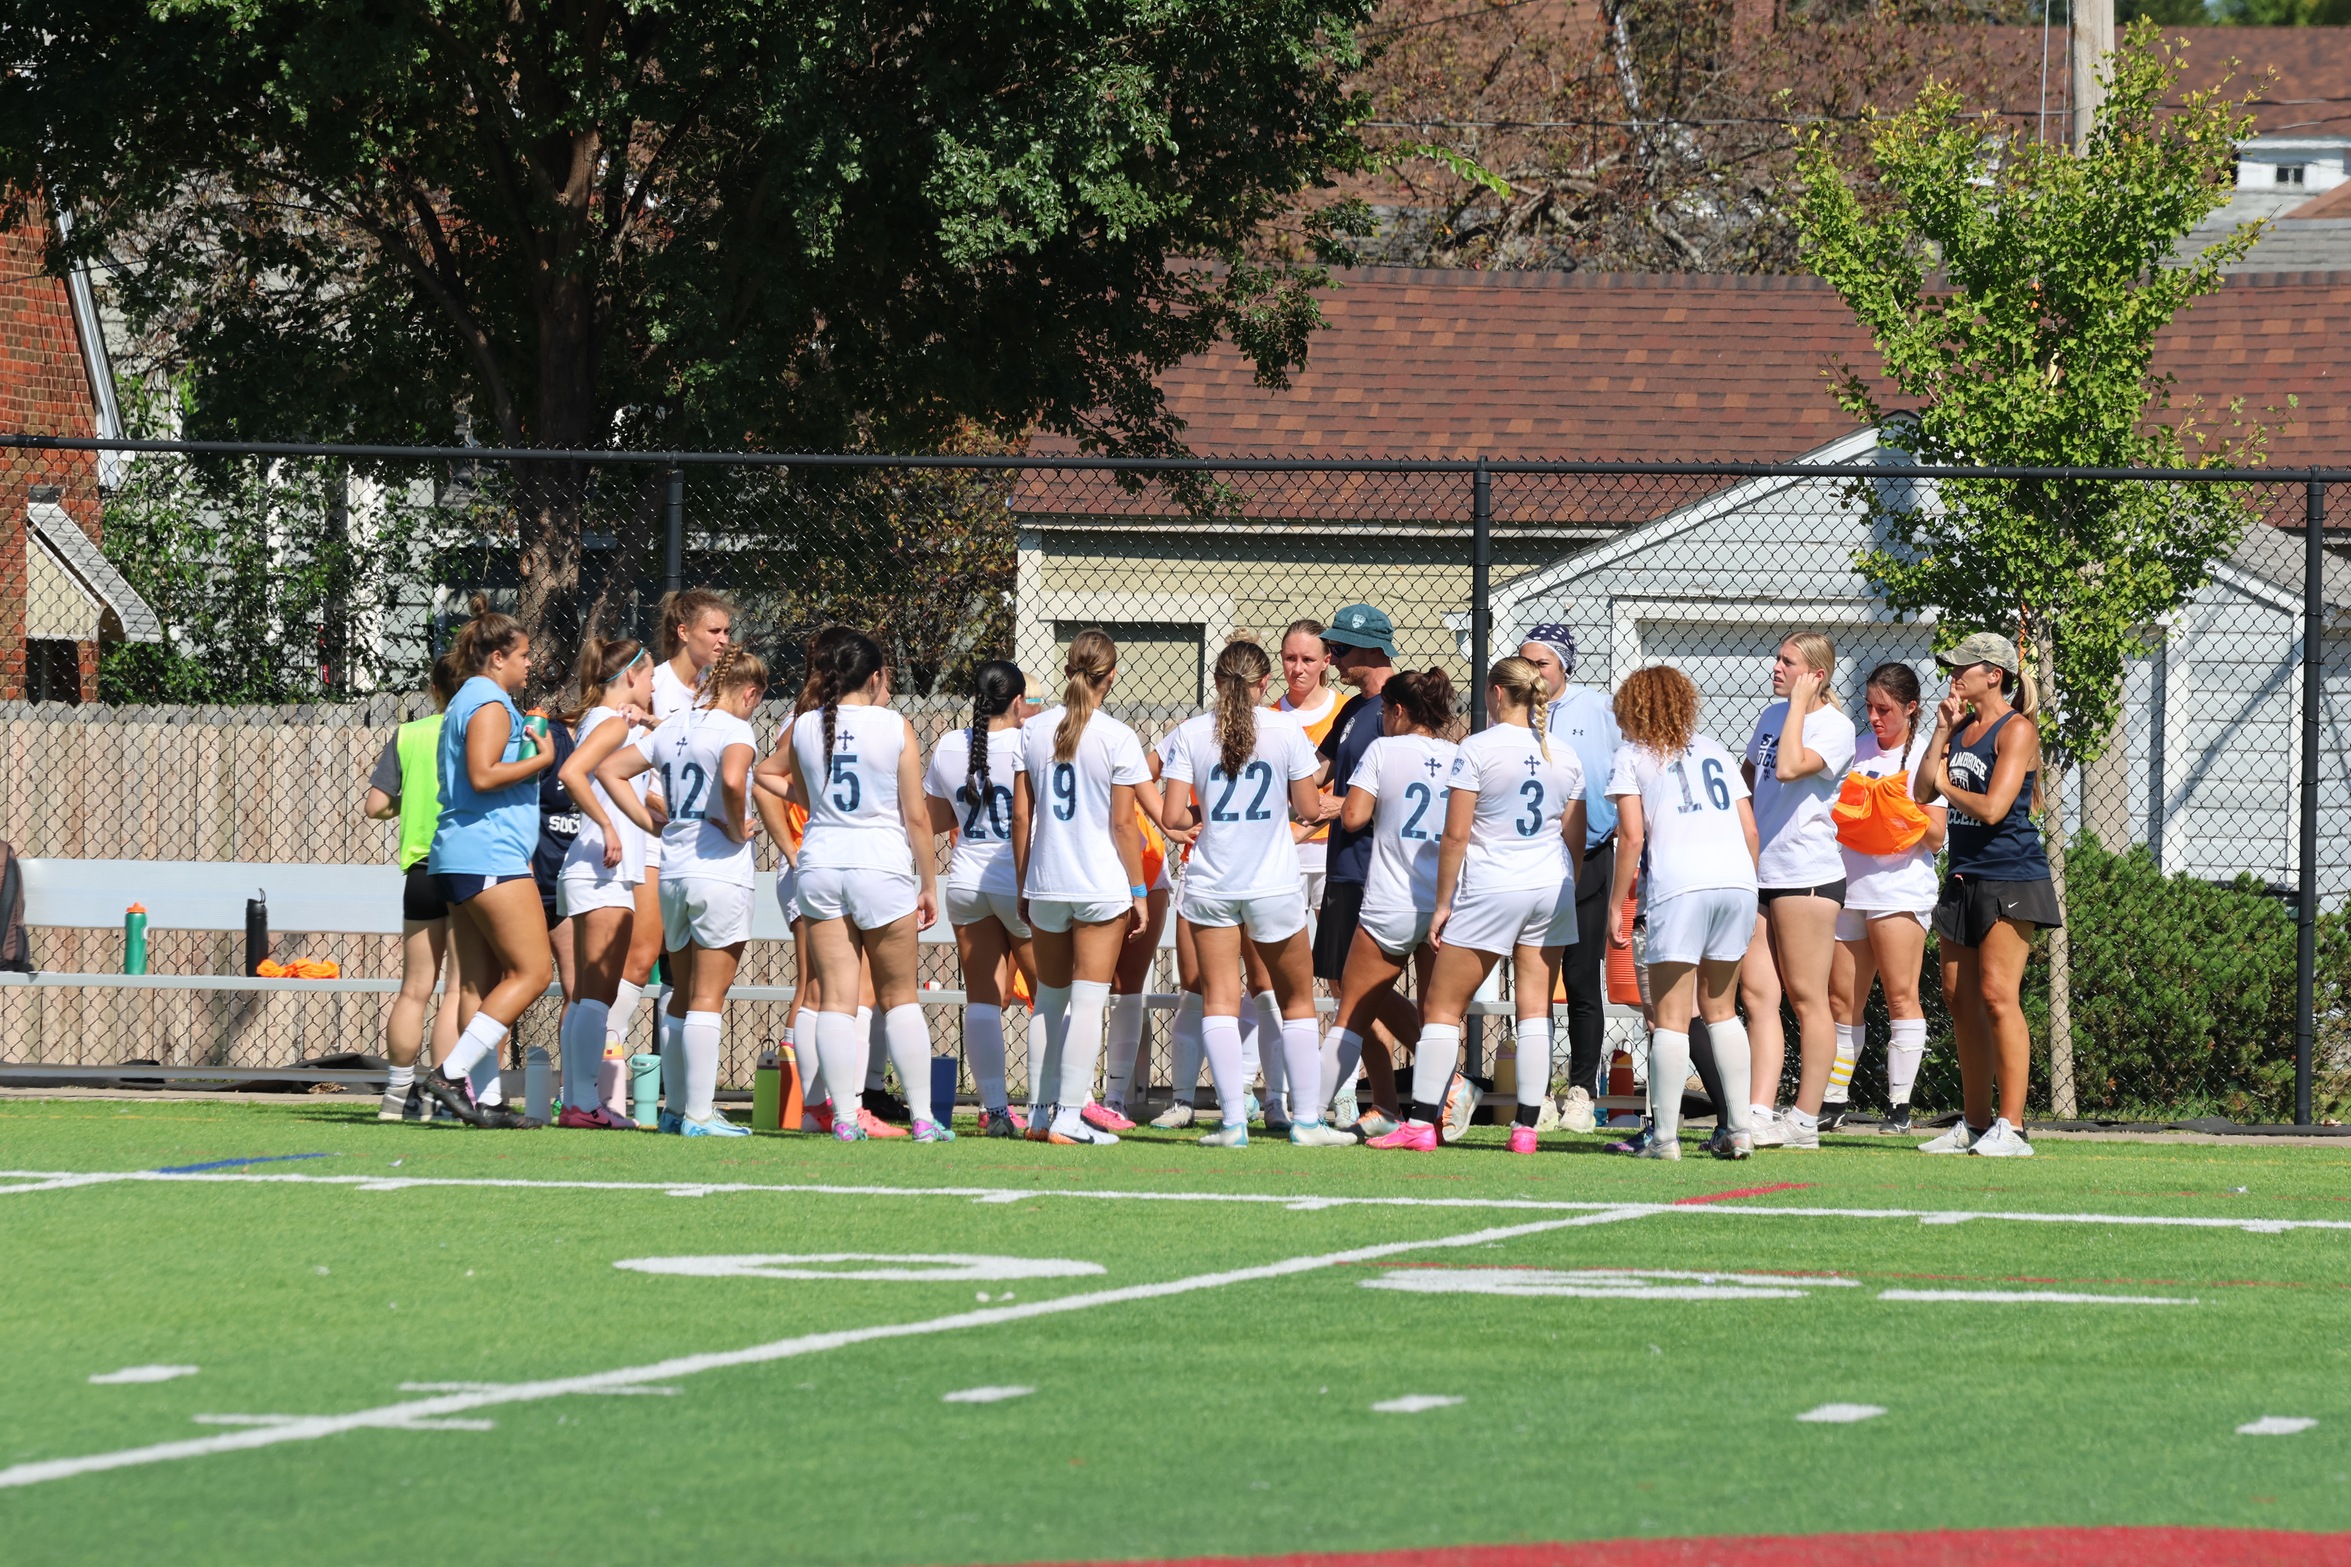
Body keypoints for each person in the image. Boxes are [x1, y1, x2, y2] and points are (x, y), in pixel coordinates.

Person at [1370, 655, 1584, 1155]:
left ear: (1495, 694)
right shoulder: (1566, 754)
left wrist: (1443, 903)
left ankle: (1421, 1123)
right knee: (1535, 1011)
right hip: (1550, 884)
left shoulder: (1477, 748)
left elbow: (1456, 835)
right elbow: (1573, 836)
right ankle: (1526, 1129)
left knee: (1441, 1009)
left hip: (1492, 884)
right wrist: (1562, 886)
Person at [1162, 639, 1344, 1147]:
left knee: (1219, 999)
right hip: (1272, 883)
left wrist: (1210, 816)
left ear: (1216, 682)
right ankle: (1306, 1120)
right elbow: (1308, 807)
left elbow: (1173, 816)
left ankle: (1232, 1123)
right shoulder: (1286, 729)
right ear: (1266, 683)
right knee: (1297, 999)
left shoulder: (1192, 732)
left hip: (1213, 882)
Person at [785, 628, 952, 1142]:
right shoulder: (895, 726)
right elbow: (917, 818)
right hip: (880, 867)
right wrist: (929, 883)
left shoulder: (804, 725)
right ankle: (924, 1118)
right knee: (899, 996)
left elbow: (789, 786)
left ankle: (841, 1117)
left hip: (820, 865)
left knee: (834, 998)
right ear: (875, 676)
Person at [597, 643, 770, 1136]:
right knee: (708, 998)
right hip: (718, 872)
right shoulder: (736, 728)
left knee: (681, 994)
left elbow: (609, 769)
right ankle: (697, 1113)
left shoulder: (671, 725)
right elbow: (735, 781)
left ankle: (675, 1112)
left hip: (672, 872)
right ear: (749, 693)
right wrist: (738, 829)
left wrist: (655, 824)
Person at [1605, 665, 1761, 1161]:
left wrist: (1617, 906)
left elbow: (1631, 836)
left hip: (1679, 887)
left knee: (1671, 1020)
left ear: (1635, 708)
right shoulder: (1714, 748)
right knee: (1722, 1011)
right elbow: (1750, 831)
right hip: (1737, 883)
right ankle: (1738, 1129)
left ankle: (1665, 1138)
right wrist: (1745, 887)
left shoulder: (1632, 755)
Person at [1915, 631, 2058, 1158]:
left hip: (2010, 878)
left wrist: (1948, 784)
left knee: (1999, 996)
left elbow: (1995, 809)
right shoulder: (1961, 727)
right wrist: (1940, 734)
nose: (1954, 675)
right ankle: (1974, 1125)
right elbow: (1920, 792)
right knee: (1959, 998)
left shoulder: (2015, 729)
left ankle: (2013, 1128)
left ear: (1993, 674)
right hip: (1963, 877)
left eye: (1964, 668)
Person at [418, 599, 557, 1129]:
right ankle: (450, 1075)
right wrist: (540, 760)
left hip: (460, 854)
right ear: (497, 657)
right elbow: (482, 774)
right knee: (534, 971)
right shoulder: (490, 703)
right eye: (523, 655)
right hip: (489, 852)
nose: (529, 664)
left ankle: (489, 1101)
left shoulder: (466, 700)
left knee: (479, 983)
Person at [1012, 629, 1153, 1146]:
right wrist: (1139, 893)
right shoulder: (1116, 735)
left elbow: (1021, 817)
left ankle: (1039, 1116)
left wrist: (1026, 882)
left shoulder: (1032, 729)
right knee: (1088, 1003)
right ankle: (1070, 1117)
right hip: (1099, 884)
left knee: (1048, 1001)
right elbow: (1123, 826)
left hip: (1047, 882)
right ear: (1110, 676)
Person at [1327, 667, 1458, 1135]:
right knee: (1436, 1019)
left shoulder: (1383, 749)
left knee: (1351, 1011)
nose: (1381, 718)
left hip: (1392, 900)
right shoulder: (1457, 755)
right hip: (1444, 903)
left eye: (1384, 710)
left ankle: (1308, 1115)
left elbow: (1355, 816)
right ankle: (1433, 1117)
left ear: (1398, 711)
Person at [1739, 632, 1856, 1151]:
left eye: (1788, 662)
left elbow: (1788, 768)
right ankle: (1759, 1110)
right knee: (1758, 996)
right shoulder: (1771, 716)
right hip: (1760, 873)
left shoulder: (1835, 727)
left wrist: (1801, 707)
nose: (1776, 667)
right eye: (1778, 658)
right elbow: (1750, 781)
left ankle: (1806, 1119)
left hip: (1805, 875)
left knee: (1810, 999)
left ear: (1817, 674)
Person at [1829, 662, 1947, 1136]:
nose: (1875, 718)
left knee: (1901, 996)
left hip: (1898, 891)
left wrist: (1898, 810)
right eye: (1870, 708)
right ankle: (1835, 1098)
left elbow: (1937, 835)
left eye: (1885, 710)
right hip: (1849, 888)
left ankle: (1899, 1108)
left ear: (1911, 708)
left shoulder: (1925, 755)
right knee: (1842, 1001)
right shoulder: (1854, 751)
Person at [1518, 623, 1622, 1134]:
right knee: (1534, 979)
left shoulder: (1598, 708)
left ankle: (1581, 1091)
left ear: (1564, 665)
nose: (1535, 673)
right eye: (1527, 662)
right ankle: (1535, 1095)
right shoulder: (1513, 710)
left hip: (1589, 853)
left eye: (1543, 663)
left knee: (1581, 979)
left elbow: (1626, 772)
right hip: (1530, 857)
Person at [924, 659, 1036, 1136]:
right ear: (1017, 701)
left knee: (983, 1001)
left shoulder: (951, 744)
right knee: (1053, 998)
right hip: (1019, 880)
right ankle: (1047, 1105)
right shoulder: (1032, 741)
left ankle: (994, 1109)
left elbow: (933, 819)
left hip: (966, 879)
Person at [551, 636, 657, 1130]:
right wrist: (610, 826)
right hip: (601, 868)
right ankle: (584, 1102)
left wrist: (645, 722)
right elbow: (573, 773)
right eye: (651, 675)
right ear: (631, 676)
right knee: (597, 994)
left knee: (589, 995)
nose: (654, 685)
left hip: (595, 869)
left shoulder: (611, 721)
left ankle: (578, 1100)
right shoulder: (611, 722)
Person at [1311, 603, 1406, 1126]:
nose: (1333, 656)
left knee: (1362, 987)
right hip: (1343, 865)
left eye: (1340, 648)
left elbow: (1408, 787)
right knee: (1349, 987)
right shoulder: (1350, 710)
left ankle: (1452, 1084)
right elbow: (1316, 773)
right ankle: (1386, 1105)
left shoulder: (1398, 709)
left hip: (1378, 866)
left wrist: (1343, 807)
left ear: (1373, 650)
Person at [363, 652, 465, 1122]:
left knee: (414, 988)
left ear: (434, 689)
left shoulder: (408, 734)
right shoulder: (477, 730)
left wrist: (408, 807)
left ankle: (396, 1092)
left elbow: (376, 806)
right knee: (458, 988)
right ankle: (443, 1094)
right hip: (466, 866)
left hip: (421, 869)